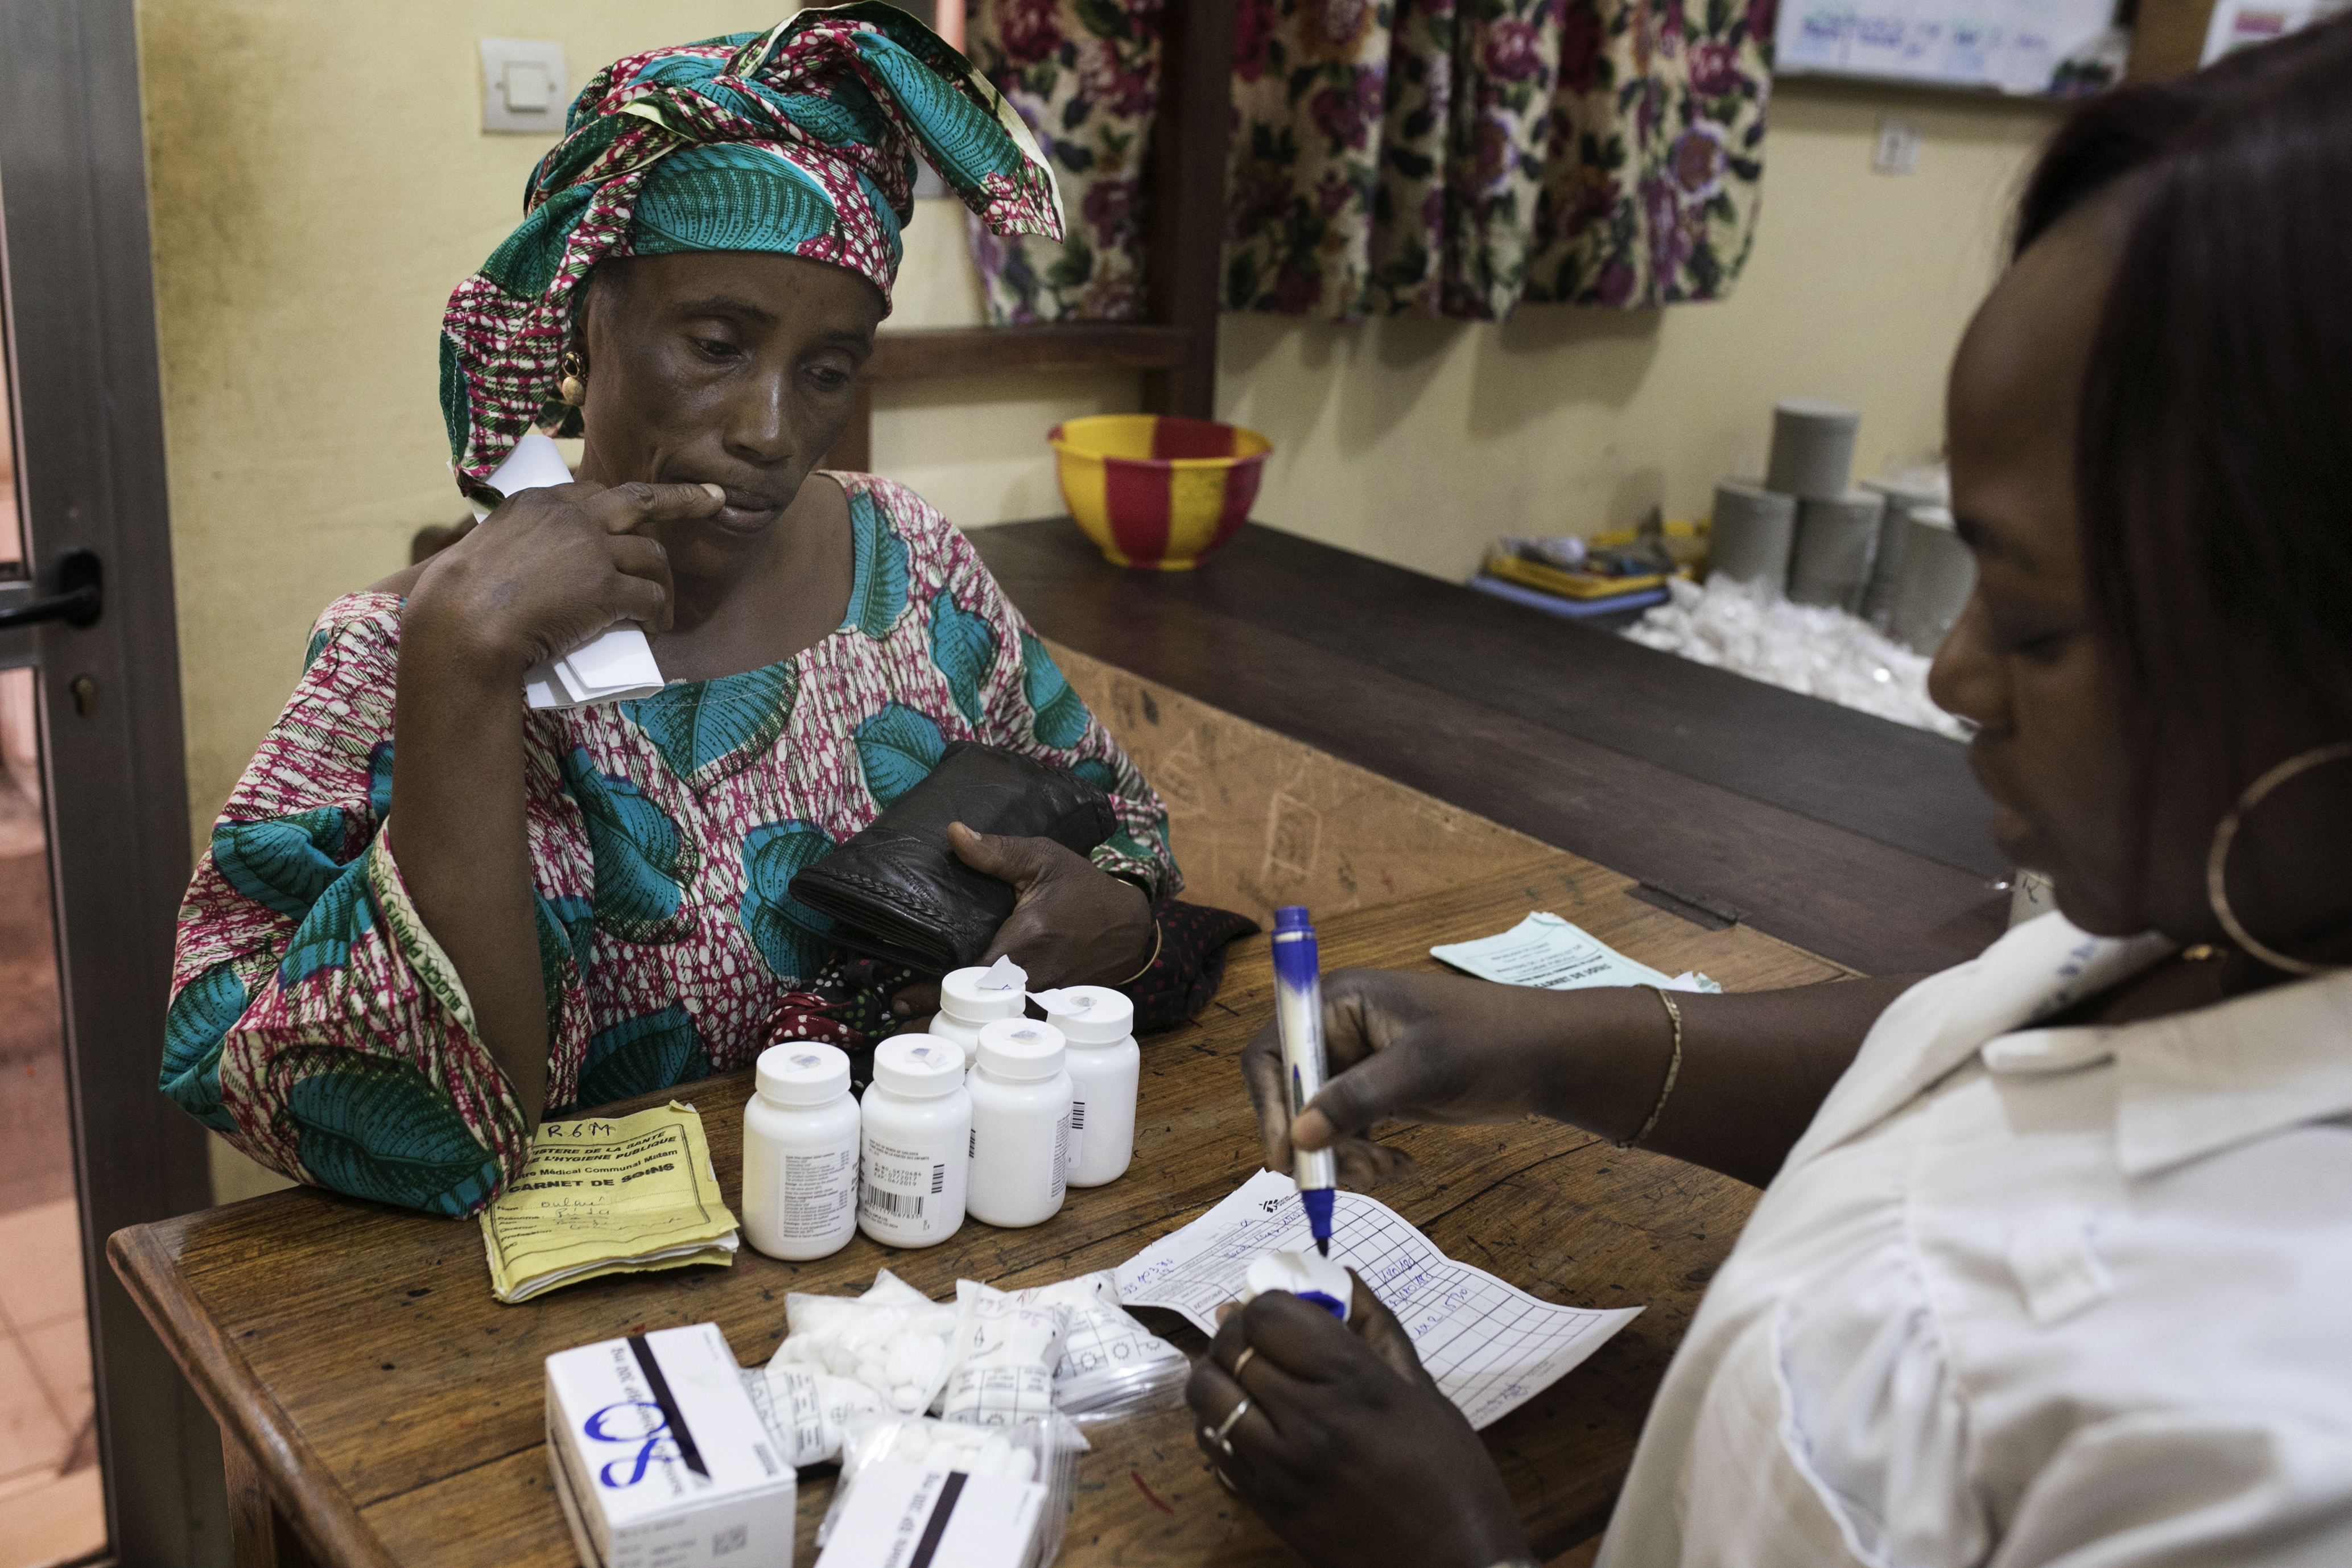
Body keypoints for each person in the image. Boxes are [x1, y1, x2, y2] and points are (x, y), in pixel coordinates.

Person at [1188, 26, 2352, 1568]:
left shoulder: (2271, 1443)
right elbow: (1989, 1043)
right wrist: (1554, 1046)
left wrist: (1452, 1542)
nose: (1946, 674)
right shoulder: (2240, 910)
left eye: (2034, 620)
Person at [162, 6, 1248, 1216]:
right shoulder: (405, 649)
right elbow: (287, 1073)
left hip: (928, 1262)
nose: (772, 431)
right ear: (589, 322)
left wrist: (1120, 921)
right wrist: (462, 668)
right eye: (718, 345)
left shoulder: (914, 566)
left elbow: (1125, 825)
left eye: (828, 370)